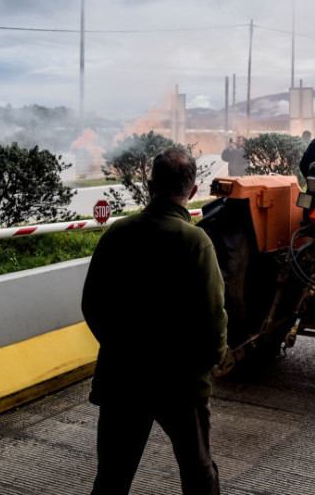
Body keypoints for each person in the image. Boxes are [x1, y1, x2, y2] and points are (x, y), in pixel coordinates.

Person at [81, 147, 227, 495]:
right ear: (192, 192)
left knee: (112, 477)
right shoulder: (195, 241)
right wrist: (204, 366)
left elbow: (92, 304)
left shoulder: (117, 233)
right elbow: (213, 319)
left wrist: (120, 350)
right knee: (198, 473)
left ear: (150, 186)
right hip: (180, 383)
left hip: (121, 379)